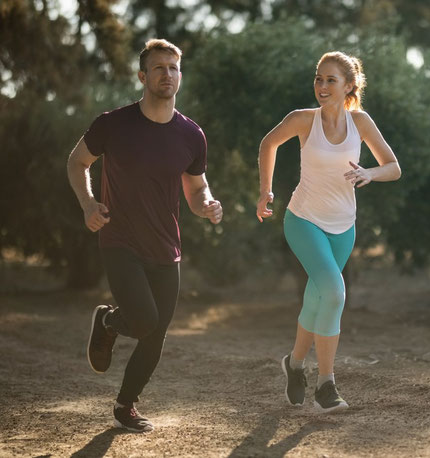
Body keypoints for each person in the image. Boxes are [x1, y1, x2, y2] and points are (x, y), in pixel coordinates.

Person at [67, 38, 223, 432]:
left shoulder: (191, 135)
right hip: (119, 238)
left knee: (155, 333)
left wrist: (207, 203)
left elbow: (196, 187)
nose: (167, 74)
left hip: (165, 245)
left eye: (173, 67)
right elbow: (77, 161)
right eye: (158, 68)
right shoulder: (113, 124)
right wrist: (88, 204)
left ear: (180, 75)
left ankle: (125, 405)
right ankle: (111, 322)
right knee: (144, 320)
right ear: (142, 76)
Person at [256, 51, 401, 413]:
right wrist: (265, 191)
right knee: (334, 293)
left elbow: (393, 167)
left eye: (330, 80)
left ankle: (293, 363)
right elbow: (268, 144)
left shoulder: (361, 122)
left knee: (317, 299)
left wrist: (370, 173)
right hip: (303, 220)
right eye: (319, 79)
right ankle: (326, 384)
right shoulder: (303, 120)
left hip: (343, 228)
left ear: (349, 86)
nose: (322, 86)